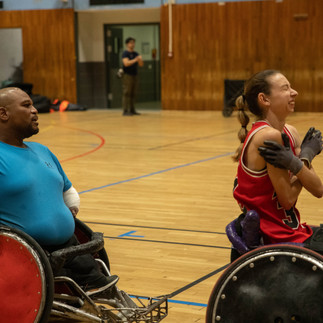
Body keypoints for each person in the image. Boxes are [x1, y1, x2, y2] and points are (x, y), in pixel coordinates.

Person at [0, 87, 118, 297]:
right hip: (29, 255)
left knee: (104, 289)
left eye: (33, 105)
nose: (35, 110)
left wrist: (66, 213)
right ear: (3, 114)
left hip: (69, 246)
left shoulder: (42, 150)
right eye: (26, 105)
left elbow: (68, 191)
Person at [231, 70, 323, 258]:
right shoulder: (268, 136)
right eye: (285, 88)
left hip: (292, 229)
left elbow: (318, 189)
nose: (294, 92)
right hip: (273, 237)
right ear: (265, 99)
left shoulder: (290, 131)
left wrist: (304, 156)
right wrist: (302, 160)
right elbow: (288, 199)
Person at [121, 37, 144, 116]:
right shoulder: (125, 53)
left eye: (133, 43)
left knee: (133, 93)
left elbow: (141, 64)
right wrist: (135, 60)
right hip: (128, 75)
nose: (132, 44)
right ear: (127, 44)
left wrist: (140, 59)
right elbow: (126, 63)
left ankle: (132, 109)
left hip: (135, 75)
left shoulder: (135, 53)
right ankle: (125, 110)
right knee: (127, 92)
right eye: (131, 43)